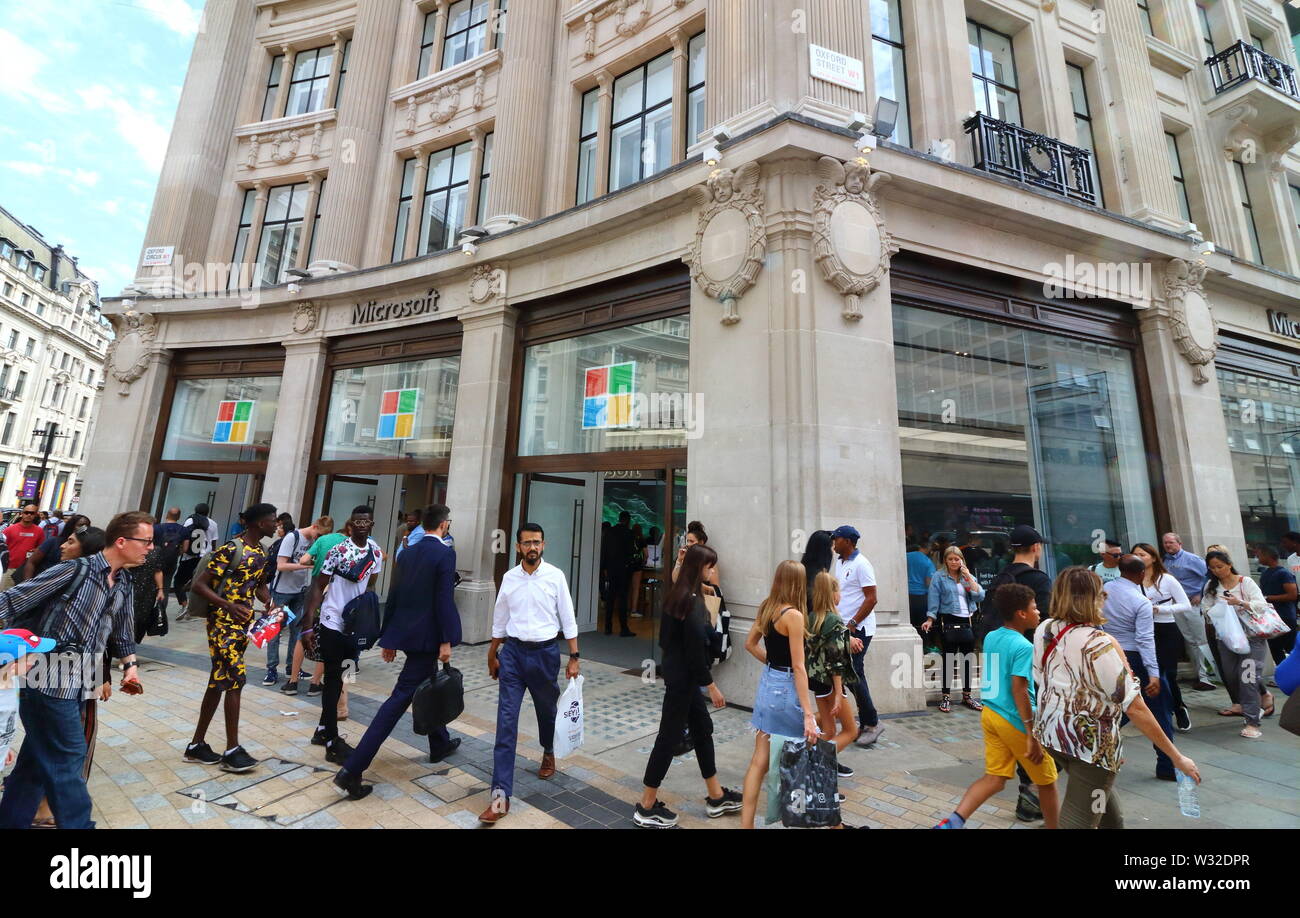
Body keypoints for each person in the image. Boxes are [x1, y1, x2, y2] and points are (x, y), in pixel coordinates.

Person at [0, 512, 151, 829]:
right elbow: (12, 601)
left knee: (35, 765)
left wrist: (131, 670)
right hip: (46, 682)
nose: (150, 548)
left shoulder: (124, 581)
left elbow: (122, 634)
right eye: (146, 541)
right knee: (69, 757)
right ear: (122, 542)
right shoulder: (74, 570)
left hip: (80, 684)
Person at [1033, 567, 1200, 828]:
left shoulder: (1046, 629)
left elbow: (1041, 678)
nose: (1105, 597)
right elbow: (1135, 708)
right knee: (1079, 820)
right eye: (1101, 593)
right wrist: (1177, 758)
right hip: (1089, 747)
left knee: (1110, 818)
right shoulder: (1099, 643)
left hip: (1053, 734)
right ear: (1094, 598)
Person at [332, 505, 463, 801]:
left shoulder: (406, 552)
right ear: (444, 525)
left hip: (406, 632)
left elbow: (393, 595)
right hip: (428, 638)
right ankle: (352, 769)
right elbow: (444, 599)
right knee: (399, 698)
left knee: (427, 684)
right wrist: (446, 640)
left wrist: (388, 637)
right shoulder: (444, 553)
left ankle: (439, 741)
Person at [479, 523, 580, 825]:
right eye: (526, 543)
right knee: (506, 723)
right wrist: (491, 652)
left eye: (536, 542)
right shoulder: (509, 578)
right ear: (519, 547)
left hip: (545, 655)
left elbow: (568, 617)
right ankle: (500, 797)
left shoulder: (556, 577)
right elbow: (500, 617)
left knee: (547, 711)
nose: (532, 547)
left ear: (544, 545)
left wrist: (574, 657)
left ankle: (548, 750)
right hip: (511, 655)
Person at [935, 583, 1059, 829]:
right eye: (1034, 608)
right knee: (1047, 782)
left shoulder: (992, 637)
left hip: (990, 714)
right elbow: (1019, 689)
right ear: (1021, 613)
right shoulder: (1024, 647)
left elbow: (992, 680)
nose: (1039, 613)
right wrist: (1031, 733)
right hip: (1015, 720)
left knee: (996, 778)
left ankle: (952, 823)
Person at [635, 543, 742, 827]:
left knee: (702, 729)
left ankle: (716, 795)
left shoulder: (679, 595)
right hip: (685, 680)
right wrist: (712, 686)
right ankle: (646, 805)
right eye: (710, 566)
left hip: (681, 677)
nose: (713, 570)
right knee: (668, 738)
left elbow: (668, 641)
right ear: (699, 568)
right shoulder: (691, 601)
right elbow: (695, 650)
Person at [183, 503, 281, 774]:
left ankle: (196, 745)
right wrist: (227, 605)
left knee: (219, 680)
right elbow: (199, 585)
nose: (276, 525)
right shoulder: (230, 549)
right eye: (272, 521)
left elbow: (258, 584)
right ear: (259, 523)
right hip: (222, 624)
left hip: (244, 625)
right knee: (236, 678)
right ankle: (232, 750)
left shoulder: (261, 551)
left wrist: (270, 602)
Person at [27, 527, 110, 828]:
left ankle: (28, 809)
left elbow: (101, 637)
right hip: (57, 675)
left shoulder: (108, 580)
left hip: (77, 673)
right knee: (71, 749)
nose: (63, 545)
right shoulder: (67, 575)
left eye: (71, 541)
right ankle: (49, 809)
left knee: (43, 749)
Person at [740, 560, 820, 829]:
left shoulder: (767, 607)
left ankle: (747, 825)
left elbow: (749, 644)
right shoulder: (794, 616)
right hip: (786, 688)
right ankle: (797, 818)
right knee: (798, 756)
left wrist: (772, 666)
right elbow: (799, 667)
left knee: (759, 761)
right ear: (799, 583)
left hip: (768, 684)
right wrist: (809, 714)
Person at [300, 506, 381, 767]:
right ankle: (332, 739)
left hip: (354, 625)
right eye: (357, 521)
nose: (361, 525)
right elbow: (318, 585)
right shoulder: (338, 551)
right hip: (332, 621)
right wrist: (308, 623)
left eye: (365, 521)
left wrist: (363, 614)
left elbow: (370, 583)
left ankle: (323, 728)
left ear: (371, 524)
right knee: (333, 677)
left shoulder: (376, 552)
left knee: (346, 674)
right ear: (350, 524)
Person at [1099, 555, 1175, 780]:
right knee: (1159, 710)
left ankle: (1095, 744)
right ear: (1141, 574)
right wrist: (1153, 673)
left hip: (1108, 653)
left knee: (1118, 706)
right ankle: (1167, 765)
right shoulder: (1140, 601)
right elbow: (1145, 639)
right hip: (1134, 656)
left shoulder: (1105, 591)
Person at [1202, 551, 1275, 739]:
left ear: (1229, 564)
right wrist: (1218, 611)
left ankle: (1252, 721)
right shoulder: (1211, 586)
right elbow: (1205, 608)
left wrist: (1240, 603)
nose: (1217, 571)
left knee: (1248, 677)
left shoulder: (1245, 582)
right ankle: (1263, 696)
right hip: (1226, 637)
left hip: (1251, 636)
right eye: (1212, 568)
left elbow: (1261, 604)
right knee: (1232, 675)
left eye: (1220, 566)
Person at [1130, 542, 1193, 733]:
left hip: (1165, 628)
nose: (1139, 558)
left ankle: (1178, 707)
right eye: (1135, 555)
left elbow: (1185, 605)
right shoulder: (1131, 580)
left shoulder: (1167, 579)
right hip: (1140, 629)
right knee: (1146, 673)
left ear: (1153, 557)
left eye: (1143, 554)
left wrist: (1159, 609)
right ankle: (1158, 712)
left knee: (1166, 674)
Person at [831, 525, 883, 746]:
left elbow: (871, 598)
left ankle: (871, 723)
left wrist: (853, 623)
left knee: (854, 674)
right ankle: (863, 722)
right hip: (844, 628)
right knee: (849, 676)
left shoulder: (862, 564)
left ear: (848, 541)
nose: (833, 542)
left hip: (859, 629)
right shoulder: (840, 563)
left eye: (836, 539)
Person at [283, 518, 345, 697]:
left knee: (304, 632)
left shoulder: (322, 540)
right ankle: (315, 684)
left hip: (315, 589)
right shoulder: (348, 544)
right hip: (334, 593)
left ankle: (293, 681)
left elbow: (303, 560)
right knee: (327, 635)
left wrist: (316, 562)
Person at [262, 515, 326, 687]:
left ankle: (292, 667)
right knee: (273, 630)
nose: (318, 540)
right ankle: (271, 669)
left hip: (300, 591)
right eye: (318, 535)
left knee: (297, 631)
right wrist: (307, 565)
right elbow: (281, 565)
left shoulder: (314, 542)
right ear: (314, 527)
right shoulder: (293, 537)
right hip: (281, 591)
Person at [805, 570, 858, 775]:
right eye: (839, 590)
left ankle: (818, 761)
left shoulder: (812, 618)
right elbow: (836, 660)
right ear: (833, 593)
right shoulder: (834, 621)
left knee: (828, 730)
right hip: (830, 681)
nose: (841, 595)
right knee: (850, 730)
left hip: (817, 681)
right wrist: (838, 692)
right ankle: (817, 761)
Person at [923, 546, 986, 713]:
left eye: (956, 559)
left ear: (962, 560)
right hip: (948, 621)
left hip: (967, 621)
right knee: (949, 660)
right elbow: (933, 598)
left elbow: (980, 596)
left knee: (967, 660)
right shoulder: (939, 577)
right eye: (950, 559)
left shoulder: (967, 576)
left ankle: (967, 695)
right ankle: (946, 697)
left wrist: (969, 579)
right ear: (945, 561)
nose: (953, 562)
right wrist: (930, 618)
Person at [1161, 532, 1216, 691]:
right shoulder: (1165, 561)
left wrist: (1200, 593)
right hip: (1176, 604)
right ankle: (1200, 675)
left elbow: (1210, 576)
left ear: (1179, 543)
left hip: (1193, 603)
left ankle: (1208, 677)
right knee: (1189, 640)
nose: (1168, 545)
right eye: (1165, 543)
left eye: (1171, 542)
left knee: (1200, 640)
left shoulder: (1192, 559)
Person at [173, 503, 219, 614]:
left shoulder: (190, 521)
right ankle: (198, 608)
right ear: (208, 512)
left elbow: (183, 536)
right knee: (200, 582)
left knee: (178, 582)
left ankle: (184, 605)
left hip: (189, 557)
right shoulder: (213, 524)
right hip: (205, 558)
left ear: (195, 510)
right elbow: (213, 542)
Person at [1256, 544, 1297, 666]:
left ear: (1267, 556)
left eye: (1259, 556)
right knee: (1275, 649)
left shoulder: (1283, 573)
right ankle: (1285, 676)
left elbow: (1292, 595)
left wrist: (1268, 598)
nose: (1257, 559)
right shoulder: (1265, 573)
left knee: (1290, 648)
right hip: (1271, 618)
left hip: (1285, 617)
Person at [18, 515, 89, 583]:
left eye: (87, 525)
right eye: (81, 525)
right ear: (71, 526)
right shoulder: (53, 542)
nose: (84, 528)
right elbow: (31, 562)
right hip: (40, 583)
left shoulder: (85, 548)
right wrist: (27, 584)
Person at [602, 511, 635, 637]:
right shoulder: (629, 533)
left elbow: (604, 550)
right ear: (628, 520)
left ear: (619, 518)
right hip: (624, 570)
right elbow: (631, 552)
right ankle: (623, 628)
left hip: (611, 569)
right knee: (623, 598)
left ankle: (608, 627)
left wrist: (604, 568)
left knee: (610, 598)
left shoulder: (609, 532)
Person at [3, 505, 44, 587]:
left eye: (32, 513)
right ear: (22, 514)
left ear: (35, 515)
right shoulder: (9, 530)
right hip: (9, 568)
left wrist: (35, 550)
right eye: (26, 512)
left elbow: (41, 548)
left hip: (27, 569)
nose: (29, 515)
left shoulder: (39, 531)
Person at [906, 539, 936, 645]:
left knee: (909, 624)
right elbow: (929, 582)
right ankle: (923, 646)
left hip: (906, 596)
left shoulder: (906, 556)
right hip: (921, 597)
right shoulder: (928, 561)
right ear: (928, 548)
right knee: (922, 624)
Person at [627, 523, 647, 619]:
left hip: (627, 565)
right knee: (636, 588)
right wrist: (644, 562)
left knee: (628, 587)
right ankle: (633, 610)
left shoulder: (629, 538)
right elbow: (646, 554)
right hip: (637, 566)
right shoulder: (642, 540)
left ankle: (626, 608)